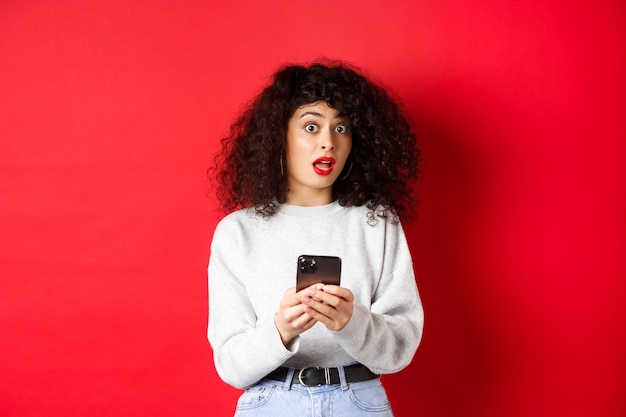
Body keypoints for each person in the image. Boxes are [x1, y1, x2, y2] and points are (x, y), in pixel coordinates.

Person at [207, 61, 424, 416]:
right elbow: (231, 367)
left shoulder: (377, 223)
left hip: (359, 402)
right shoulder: (237, 232)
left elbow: (399, 350)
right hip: (269, 403)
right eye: (312, 126)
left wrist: (350, 322)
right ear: (280, 136)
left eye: (342, 128)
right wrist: (280, 330)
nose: (329, 142)